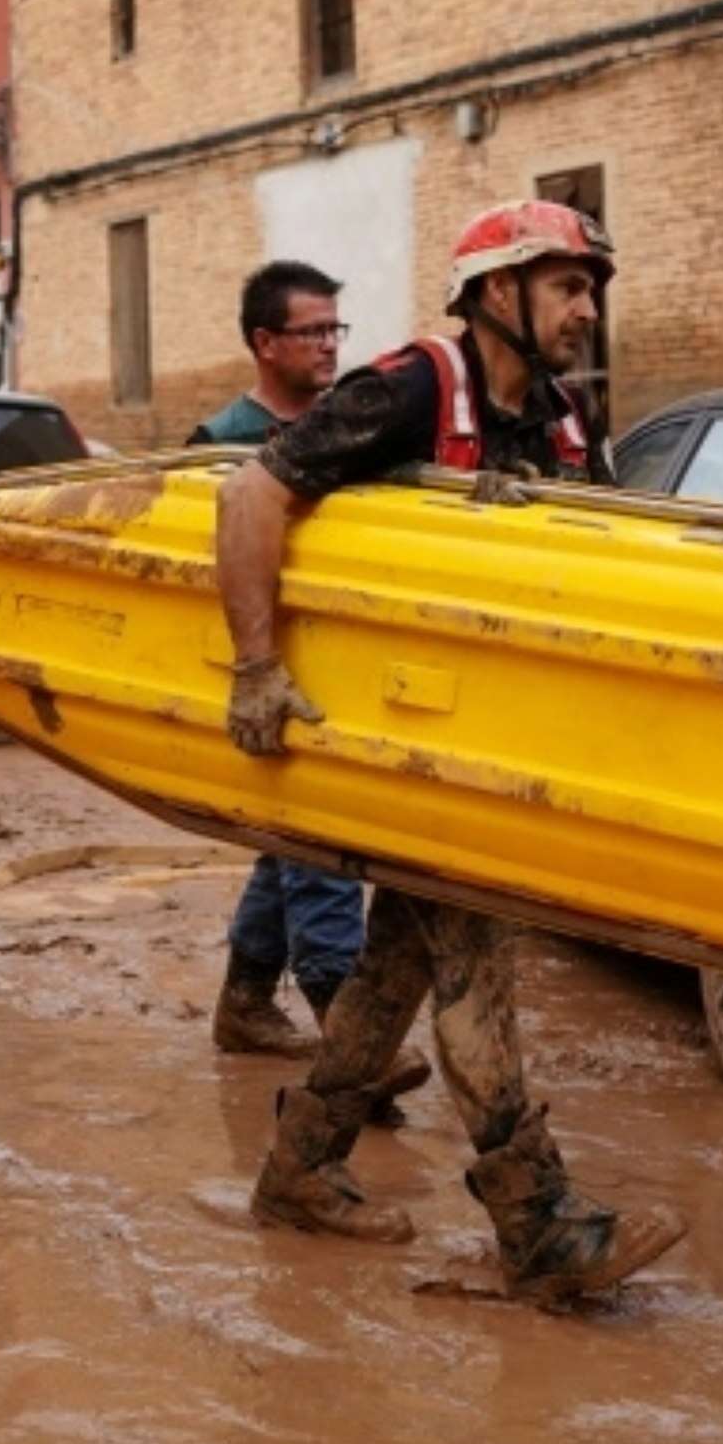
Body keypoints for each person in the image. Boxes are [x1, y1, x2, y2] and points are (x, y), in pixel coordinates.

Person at [215, 201, 687, 1304]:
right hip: (389, 734)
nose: (586, 310)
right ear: (495, 294)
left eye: (590, 290)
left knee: (401, 962)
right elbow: (255, 491)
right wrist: (255, 669)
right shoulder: (411, 389)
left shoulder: (567, 424)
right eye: (567, 287)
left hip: (484, 742)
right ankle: (538, 1225)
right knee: (473, 949)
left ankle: (297, 1172)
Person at [194, 261, 430, 1123]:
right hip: (266, 671)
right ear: (265, 343)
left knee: (287, 839)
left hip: (341, 666)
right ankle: (348, 1030)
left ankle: (247, 1004)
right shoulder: (223, 440)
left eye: (338, 329)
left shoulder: (355, 428)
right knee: (318, 841)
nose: (332, 346)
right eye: (313, 332)